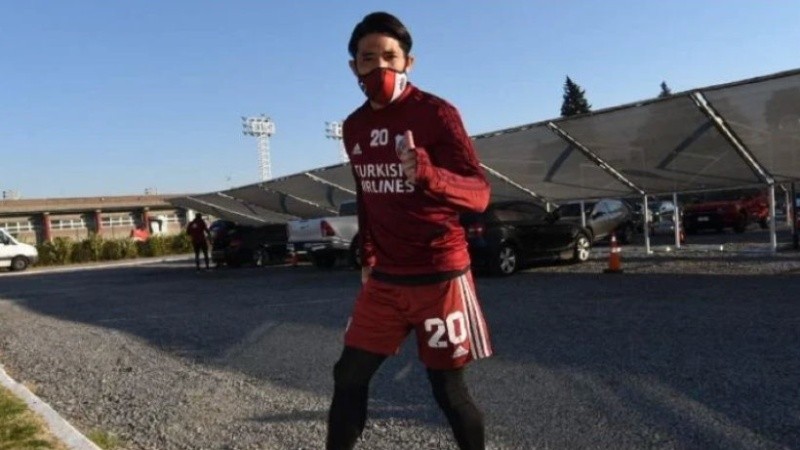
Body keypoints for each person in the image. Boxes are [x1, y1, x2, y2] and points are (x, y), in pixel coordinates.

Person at [326, 12, 492, 450]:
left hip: (440, 277)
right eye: (368, 58)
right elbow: (367, 193)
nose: (380, 66)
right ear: (353, 67)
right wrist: (368, 253)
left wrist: (430, 174)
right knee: (348, 375)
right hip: (385, 282)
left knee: (448, 392)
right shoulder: (354, 126)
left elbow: (479, 195)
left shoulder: (437, 113)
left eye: (390, 56)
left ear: (408, 63)